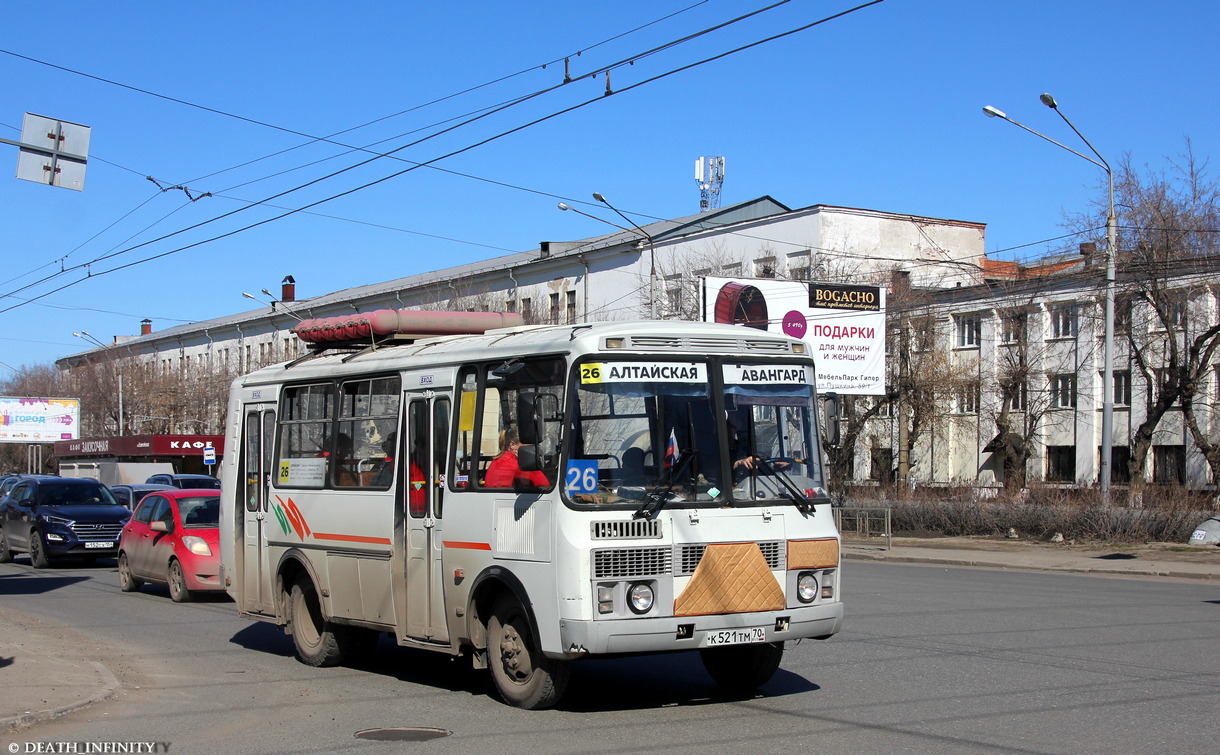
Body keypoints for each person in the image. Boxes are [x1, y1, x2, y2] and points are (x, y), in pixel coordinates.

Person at [485, 427, 550, 490]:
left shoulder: (498, 459)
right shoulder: (518, 464)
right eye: (526, 447)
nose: (530, 450)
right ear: (512, 445)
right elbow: (544, 486)